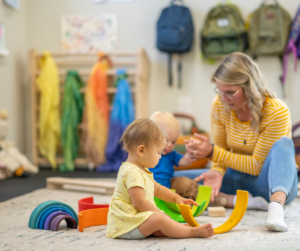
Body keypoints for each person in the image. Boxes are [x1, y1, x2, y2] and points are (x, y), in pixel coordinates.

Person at [177, 52, 298, 232]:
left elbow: (257, 165)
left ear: (250, 87)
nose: (224, 99)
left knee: (284, 144)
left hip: (268, 183)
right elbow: (220, 150)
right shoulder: (219, 105)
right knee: (170, 179)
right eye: (220, 91)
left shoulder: (276, 111)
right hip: (235, 178)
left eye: (230, 93)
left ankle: (275, 208)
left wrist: (211, 152)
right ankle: (233, 200)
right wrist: (217, 172)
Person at [106, 118, 214, 239]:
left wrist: (178, 199)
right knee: (159, 219)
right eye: (158, 152)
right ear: (141, 151)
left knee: (165, 224)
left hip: (136, 222)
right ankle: (192, 233)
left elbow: (157, 189)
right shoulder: (132, 172)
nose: (159, 157)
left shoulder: (142, 170)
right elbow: (139, 202)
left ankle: (180, 229)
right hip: (127, 226)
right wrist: (159, 213)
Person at [149, 112, 200, 200]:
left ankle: (193, 201)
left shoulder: (171, 154)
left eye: (173, 142)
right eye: (167, 140)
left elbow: (184, 162)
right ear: (151, 137)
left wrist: (189, 155)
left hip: (168, 187)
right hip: (149, 189)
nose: (170, 145)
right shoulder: (147, 152)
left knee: (187, 183)